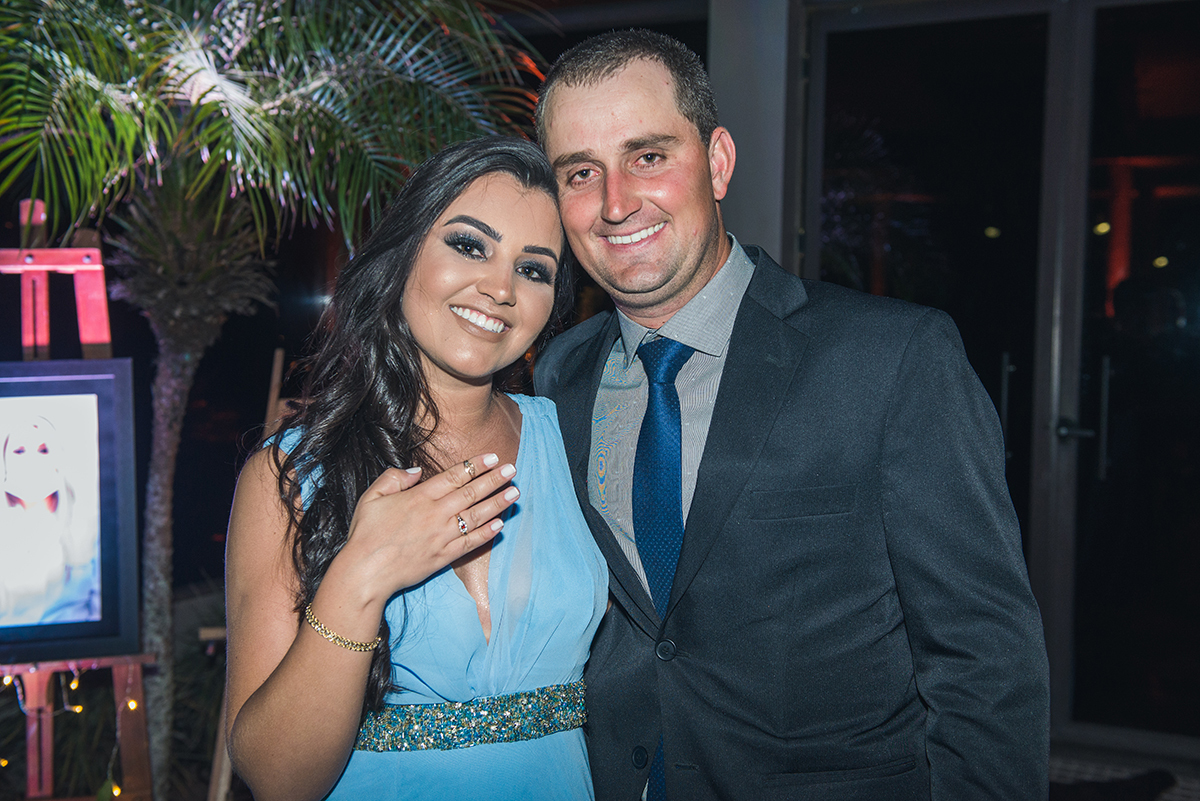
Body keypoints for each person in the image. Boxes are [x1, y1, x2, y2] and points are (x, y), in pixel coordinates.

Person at [532, 30, 1050, 800]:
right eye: (581, 172)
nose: (615, 202)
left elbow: (986, 658)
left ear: (717, 162)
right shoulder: (559, 373)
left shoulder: (893, 358)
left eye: (648, 156)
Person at [223, 136, 607, 801]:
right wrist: (361, 577)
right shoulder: (287, 477)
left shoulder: (578, 439)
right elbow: (278, 780)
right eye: (470, 245)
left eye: (533, 269)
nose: (500, 288)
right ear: (403, 254)